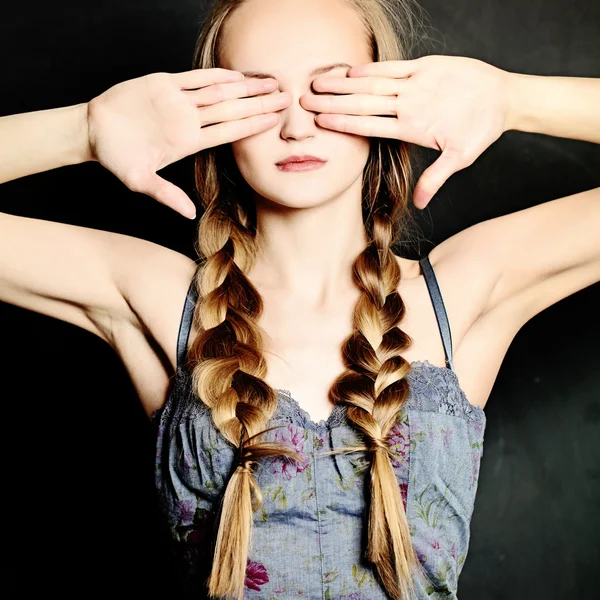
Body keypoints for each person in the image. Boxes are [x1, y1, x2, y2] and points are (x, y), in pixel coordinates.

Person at [1, 0, 598, 598]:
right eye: (257, 97)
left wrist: (511, 100)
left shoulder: (464, 290)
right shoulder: (159, 297)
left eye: (330, 90)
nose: (296, 125)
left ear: (390, 99)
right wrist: (84, 129)